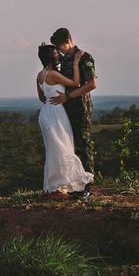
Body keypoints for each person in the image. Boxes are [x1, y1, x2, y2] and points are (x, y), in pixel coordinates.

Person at [36, 44, 94, 197]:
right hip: (56, 113)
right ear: (52, 56)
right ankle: (66, 184)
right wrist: (75, 63)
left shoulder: (39, 75)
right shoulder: (53, 75)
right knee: (64, 147)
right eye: (56, 51)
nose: (58, 53)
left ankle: (54, 185)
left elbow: (42, 98)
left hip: (45, 113)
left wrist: (51, 95)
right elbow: (76, 83)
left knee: (54, 150)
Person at [48, 27, 97, 198]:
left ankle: (88, 186)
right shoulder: (62, 60)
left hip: (80, 107)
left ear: (68, 40)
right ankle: (76, 183)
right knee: (70, 147)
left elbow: (91, 84)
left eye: (60, 45)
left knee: (83, 145)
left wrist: (68, 96)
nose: (59, 49)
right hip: (64, 108)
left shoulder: (84, 57)